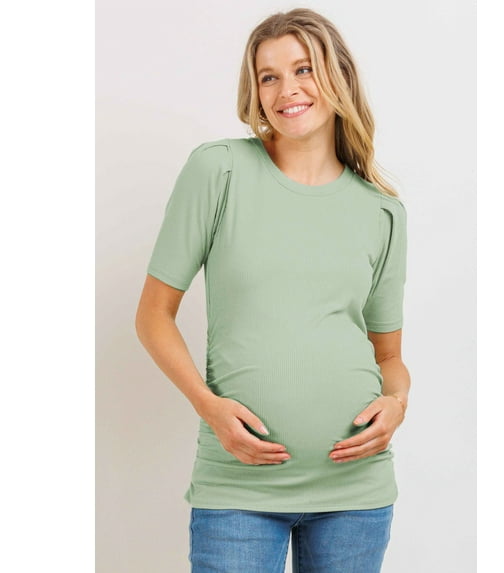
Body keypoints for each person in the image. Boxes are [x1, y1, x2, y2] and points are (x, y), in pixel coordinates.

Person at [135, 7, 410, 573]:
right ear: (255, 91)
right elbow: (153, 315)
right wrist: (209, 407)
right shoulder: (219, 171)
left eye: (304, 69)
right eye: (269, 76)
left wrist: (397, 404)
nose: (288, 90)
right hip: (239, 486)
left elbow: (388, 355)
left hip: (355, 491)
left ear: (338, 76)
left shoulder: (382, 211)